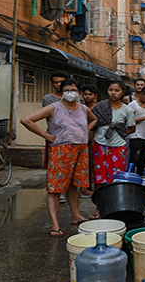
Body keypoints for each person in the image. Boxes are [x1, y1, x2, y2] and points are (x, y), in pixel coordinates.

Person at [20, 79, 97, 237]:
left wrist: (84, 131)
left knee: (74, 185)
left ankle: (76, 216)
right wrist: (47, 135)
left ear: (79, 93)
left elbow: (94, 119)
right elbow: (26, 120)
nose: (70, 93)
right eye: (67, 90)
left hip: (80, 149)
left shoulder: (83, 109)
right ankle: (54, 224)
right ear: (61, 93)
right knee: (55, 188)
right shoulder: (53, 108)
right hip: (60, 151)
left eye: (74, 90)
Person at [90, 81, 136, 201]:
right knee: (99, 178)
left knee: (116, 178)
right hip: (99, 145)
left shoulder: (127, 110)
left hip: (118, 147)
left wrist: (119, 132)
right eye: (111, 90)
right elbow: (91, 124)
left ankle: (114, 204)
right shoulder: (99, 107)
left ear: (123, 92)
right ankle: (99, 206)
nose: (113, 93)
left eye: (117, 90)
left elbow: (132, 128)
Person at [42, 70, 69, 203]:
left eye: (61, 82)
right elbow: (56, 117)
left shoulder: (73, 97)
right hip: (55, 137)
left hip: (71, 137)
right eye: (56, 82)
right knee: (55, 167)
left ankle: (67, 191)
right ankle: (58, 192)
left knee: (69, 166)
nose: (58, 84)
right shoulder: (48, 99)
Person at [79, 84, 98, 197]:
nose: (87, 96)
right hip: (80, 137)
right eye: (85, 94)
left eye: (90, 94)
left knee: (91, 163)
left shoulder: (97, 108)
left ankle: (88, 187)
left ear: (95, 96)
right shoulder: (78, 107)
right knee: (82, 164)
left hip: (93, 137)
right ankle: (84, 188)